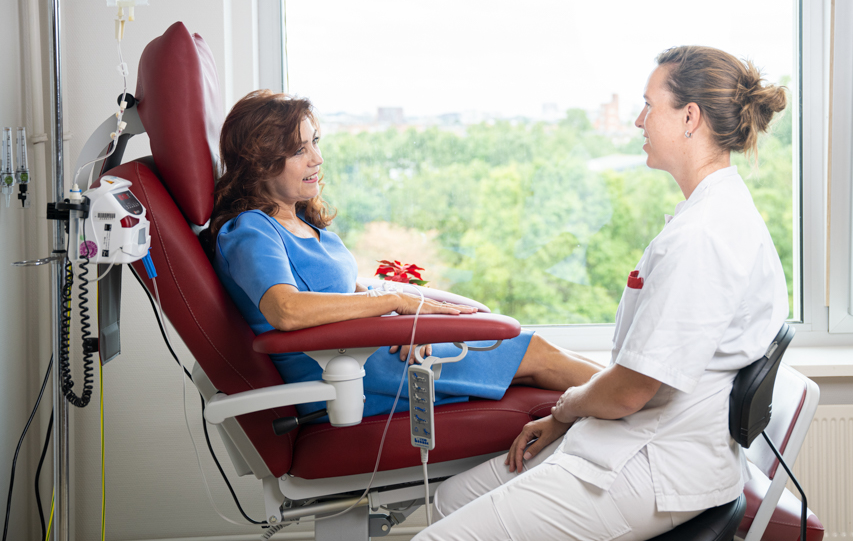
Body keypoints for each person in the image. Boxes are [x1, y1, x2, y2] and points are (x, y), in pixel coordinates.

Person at [407, 46, 789, 541]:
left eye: (649, 105)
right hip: (638, 439)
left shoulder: (703, 237)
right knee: (449, 501)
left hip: (659, 465)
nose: (639, 120)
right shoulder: (711, 214)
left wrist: (565, 409)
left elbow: (632, 389)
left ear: (690, 118)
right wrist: (567, 419)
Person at [203, 90, 601, 418]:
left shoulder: (300, 220)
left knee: (537, 360)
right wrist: (394, 301)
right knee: (537, 354)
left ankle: (631, 399)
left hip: (368, 354)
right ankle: (635, 399)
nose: (317, 159)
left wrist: (404, 322)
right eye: (298, 150)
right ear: (259, 162)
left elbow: (344, 293)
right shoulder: (251, 230)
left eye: (315, 143)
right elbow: (286, 310)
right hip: (347, 373)